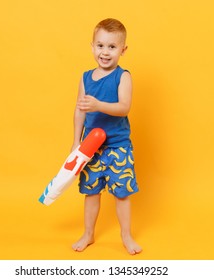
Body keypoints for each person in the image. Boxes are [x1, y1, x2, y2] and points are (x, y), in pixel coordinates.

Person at [71, 18, 142, 255]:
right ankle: (88, 233)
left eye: (112, 47)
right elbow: (80, 110)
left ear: (123, 50)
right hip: (91, 148)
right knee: (91, 191)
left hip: (117, 147)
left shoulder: (123, 77)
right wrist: (76, 143)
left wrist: (99, 104)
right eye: (100, 45)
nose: (105, 52)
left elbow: (124, 107)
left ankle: (126, 236)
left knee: (121, 194)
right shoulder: (85, 77)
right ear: (92, 46)